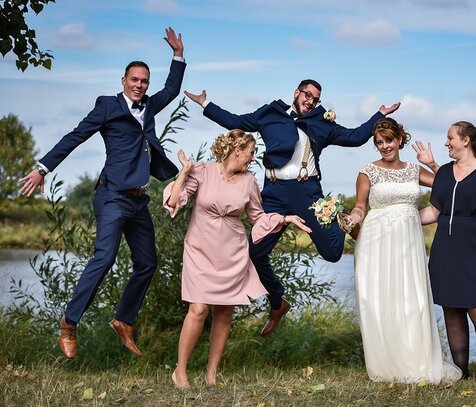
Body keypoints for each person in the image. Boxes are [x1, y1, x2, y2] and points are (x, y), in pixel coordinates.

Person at [18, 28, 186, 359]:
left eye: (144, 81)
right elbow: (75, 136)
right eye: (134, 79)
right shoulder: (108, 106)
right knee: (105, 257)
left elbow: (172, 89)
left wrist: (178, 55)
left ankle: (123, 320)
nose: (139, 85)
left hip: (138, 200)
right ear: (123, 80)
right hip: (112, 196)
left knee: (147, 262)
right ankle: (69, 323)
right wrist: (42, 169)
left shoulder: (150, 107)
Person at [183, 81, 400, 337]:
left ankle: (339, 220)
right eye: (308, 95)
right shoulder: (270, 114)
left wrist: (379, 115)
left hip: (306, 192)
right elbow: (235, 121)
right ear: (296, 93)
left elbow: (355, 137)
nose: (311, 101)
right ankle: (277, 302)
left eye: (316, 99)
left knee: (332, 253)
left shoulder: (321, 123)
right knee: (254, 253)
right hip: (274, 194)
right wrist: (205, 103)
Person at [163, 130, 311, 388]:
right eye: (251, 152)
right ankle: (181, 371)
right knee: (198, 309)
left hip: (232, 252)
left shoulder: (249, 181)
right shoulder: (203, 171)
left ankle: (211, 374)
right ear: (237, 149)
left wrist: (285, 218)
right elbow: (175, 200)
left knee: (224, 312)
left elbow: (258, 218)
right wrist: (184, 172)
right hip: (199, 249)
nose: (253, 158)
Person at [346, 117, 461, 384]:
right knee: (380, 299)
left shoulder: (413, 170)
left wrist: (431, 163)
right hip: (375, 241)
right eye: (379, 142)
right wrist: (353, 218)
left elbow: (449, 184)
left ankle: (416, 359)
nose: (384, 146)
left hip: (408, 241)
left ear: (399, 139)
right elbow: (360, 206)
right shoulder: (367, 172)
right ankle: (387, 363)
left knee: (412, 299)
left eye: (389, 140)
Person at [417, 121, 476, 382]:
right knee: (452, 309)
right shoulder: (445, 172)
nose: (446, 142)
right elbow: (434, 212)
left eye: (450, 138)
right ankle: (461, 372)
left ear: (466, 140)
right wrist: (403, 217)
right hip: (445, 250)